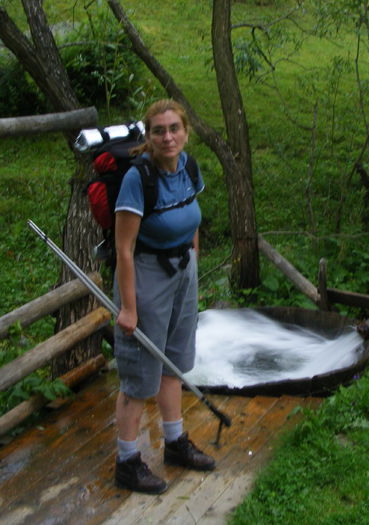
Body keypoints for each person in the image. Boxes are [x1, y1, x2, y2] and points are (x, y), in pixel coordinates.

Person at [112, 99, 215, 494]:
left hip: (182, 271)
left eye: (174, 128)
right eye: (159, 130)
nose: (168, 136)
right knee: (140, 376)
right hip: (147, 275)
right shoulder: (138, 179)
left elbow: (192, 216)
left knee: (173, 363)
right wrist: (128, 307)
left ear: (186, 132)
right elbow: (124, 248)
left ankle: (175, 444)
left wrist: (193, 264)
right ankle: (127, 462)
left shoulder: (188, 166)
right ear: (148, 136)